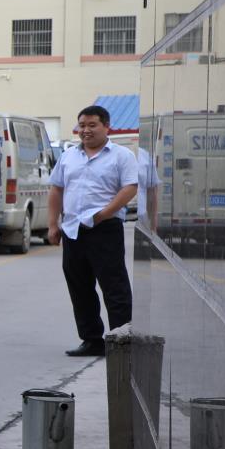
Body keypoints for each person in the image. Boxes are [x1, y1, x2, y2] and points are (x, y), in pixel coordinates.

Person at [47, 105, 137, 357]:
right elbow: (56, 189)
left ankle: (122, 340)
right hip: (73, 230)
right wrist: (53, 225)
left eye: (92, 125)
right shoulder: (68, 156)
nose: (85, 131)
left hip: (105, 228)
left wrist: (105, 213)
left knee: (114, 286)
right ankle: (91, 340)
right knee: (80, 287)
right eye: (82, 126)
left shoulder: (121, 155)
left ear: (106, 126)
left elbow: (129, 188)